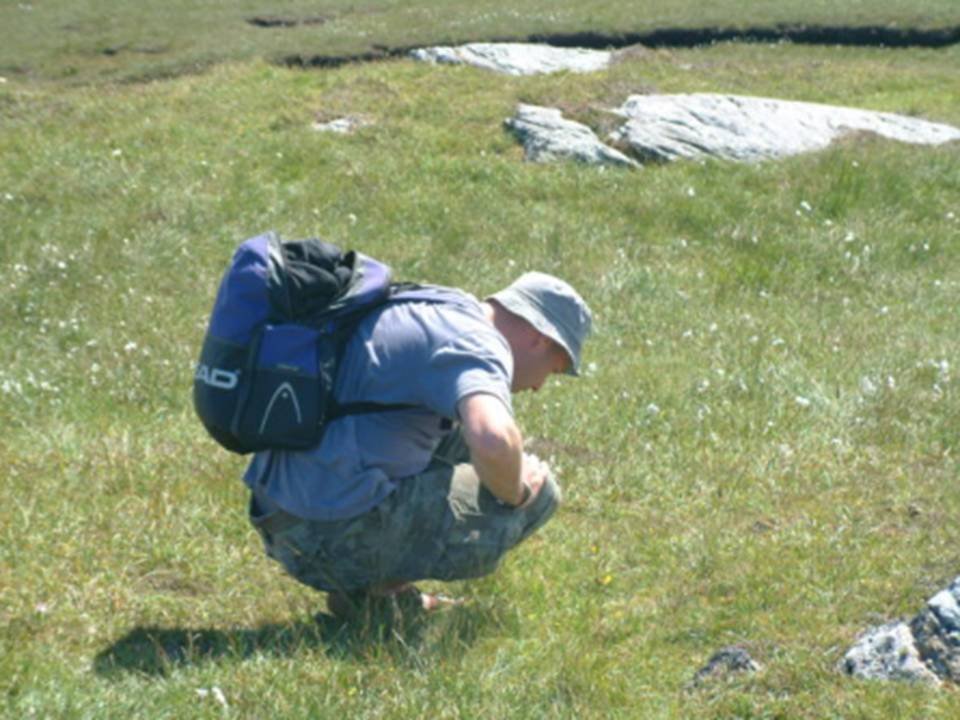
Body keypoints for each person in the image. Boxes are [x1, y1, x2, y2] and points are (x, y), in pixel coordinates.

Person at [244, 271, 593, 619]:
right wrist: (520, 494)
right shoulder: (477, 345)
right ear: (539, 339)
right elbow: (494, 441)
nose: (540, 387)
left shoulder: (438, 305)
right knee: (539, 494)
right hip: (322, 535)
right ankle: (370, 588)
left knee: (455, 438)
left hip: (280, 513)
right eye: (554, 368)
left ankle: (371, 602)